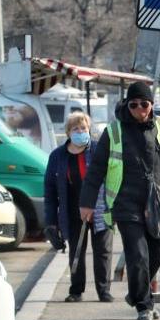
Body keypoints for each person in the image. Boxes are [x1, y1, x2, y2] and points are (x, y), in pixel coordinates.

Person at [80, 81, 160, 320]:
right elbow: (96, 169)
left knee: (156, 254)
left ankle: (138, 292)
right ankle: (143, 306)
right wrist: (86, 203)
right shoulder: (114, 131)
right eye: (134, 104)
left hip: (157, 203)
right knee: (137, 255)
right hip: (125, 203)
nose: (139, 108)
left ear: (151, 105)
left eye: (144, 104)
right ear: (127, 105)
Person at [45, 112, 113, 303]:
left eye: (83, 128)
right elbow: (50, 190)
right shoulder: (58, 156)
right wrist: (50, 221)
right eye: (76, 128)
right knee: (76, 250)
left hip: (100, 209)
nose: (81, 131)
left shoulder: (99, 150)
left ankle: (104, 290)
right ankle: (76, 290)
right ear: (68, 132)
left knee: (103, 251)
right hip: (72, 211)